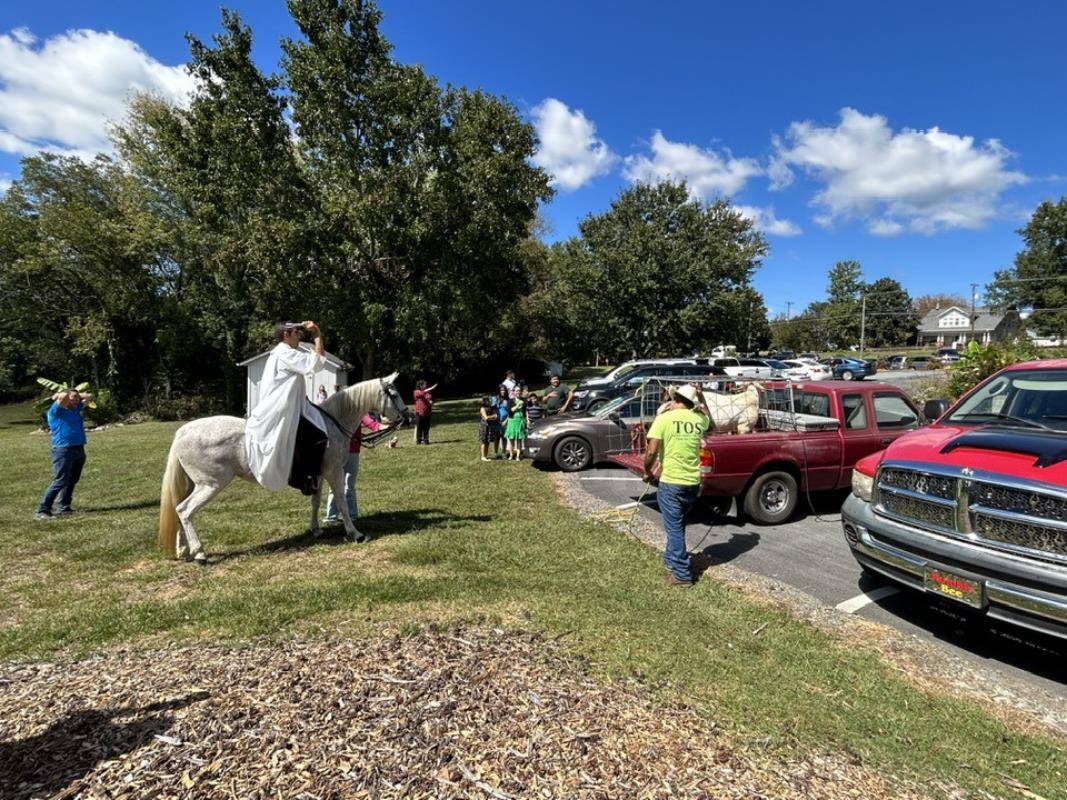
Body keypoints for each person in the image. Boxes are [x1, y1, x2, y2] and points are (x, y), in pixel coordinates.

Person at [245, 320, 328, 493]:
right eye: (296, 333)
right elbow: (318, 363)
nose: (299, 335)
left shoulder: (281, 353)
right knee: (318, 437)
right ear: (286, 335)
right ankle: (301, 479)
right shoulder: (286, 353)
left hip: (289, 408)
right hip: (282, 412)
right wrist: (317, 335)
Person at [643, 384, 710, 587]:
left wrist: (647, 471)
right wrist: (701, 398)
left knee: (674, 527)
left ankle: (681, 574)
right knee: (677, 523)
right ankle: (672, 559)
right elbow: (709, 419)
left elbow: (652, 449)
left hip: (672, 481)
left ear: (675, 400)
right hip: (692, 482)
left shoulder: (663, 419)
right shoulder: (698, 419)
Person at [35, 388, 91, 520]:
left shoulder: (75, 409)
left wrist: (75, 395)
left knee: (72, 480)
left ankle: (64, 507)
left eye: (77, 398)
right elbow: (62, 397)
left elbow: (89, 396)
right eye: (73, 398)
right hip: (63, 451)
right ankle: (42, 510)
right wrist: (59, 396)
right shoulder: (56, 411)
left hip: (79, 449)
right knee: (60, 480)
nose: (77, 400)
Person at [323, 412, 382, 532]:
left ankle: (352, 515)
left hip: (353, 451)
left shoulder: (357, 410)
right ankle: (331, 517)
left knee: (349, 485)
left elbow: (368, 421)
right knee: (334, 485)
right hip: (337, 452)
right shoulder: (337, 408)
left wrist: (378, 426)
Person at [412, 380, 437, 445]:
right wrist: (430, 389)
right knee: (419, 427)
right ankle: (418, 441)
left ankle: (426, 440)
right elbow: (420, 394)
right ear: (420, 386)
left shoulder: (427, 392)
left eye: (426, 384)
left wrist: (431, 401)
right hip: (419, 413)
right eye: (424, 384)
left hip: (427, 412)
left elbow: (430, 398)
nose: (426, 386)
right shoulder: (416, 392)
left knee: (426, 427)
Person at [504, 388, 526, 460]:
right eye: (516, 391)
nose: (518, 392)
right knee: (511, 439)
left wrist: (526, 420)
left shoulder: (524, 400)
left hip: (520, 421)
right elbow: (510, 410)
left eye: (519, 390)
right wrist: (518, 404)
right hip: (512, 421)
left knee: (519, 440)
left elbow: (525, 411)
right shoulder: (510, 401)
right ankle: (511, 455)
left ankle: (518, 456)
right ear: (513, 392)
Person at [478, 396, 501, 461]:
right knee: (483, 441)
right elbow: (486, 418)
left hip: (489, 426)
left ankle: (485, 456)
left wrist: (494, 417)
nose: (490, 402)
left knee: (487, 441)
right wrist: (493, 416)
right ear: (485, 401)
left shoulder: (489, 408)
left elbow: (495, 417)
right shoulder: (482, 408)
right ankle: (482, 456)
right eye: (488, 401)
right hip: (484, 426)